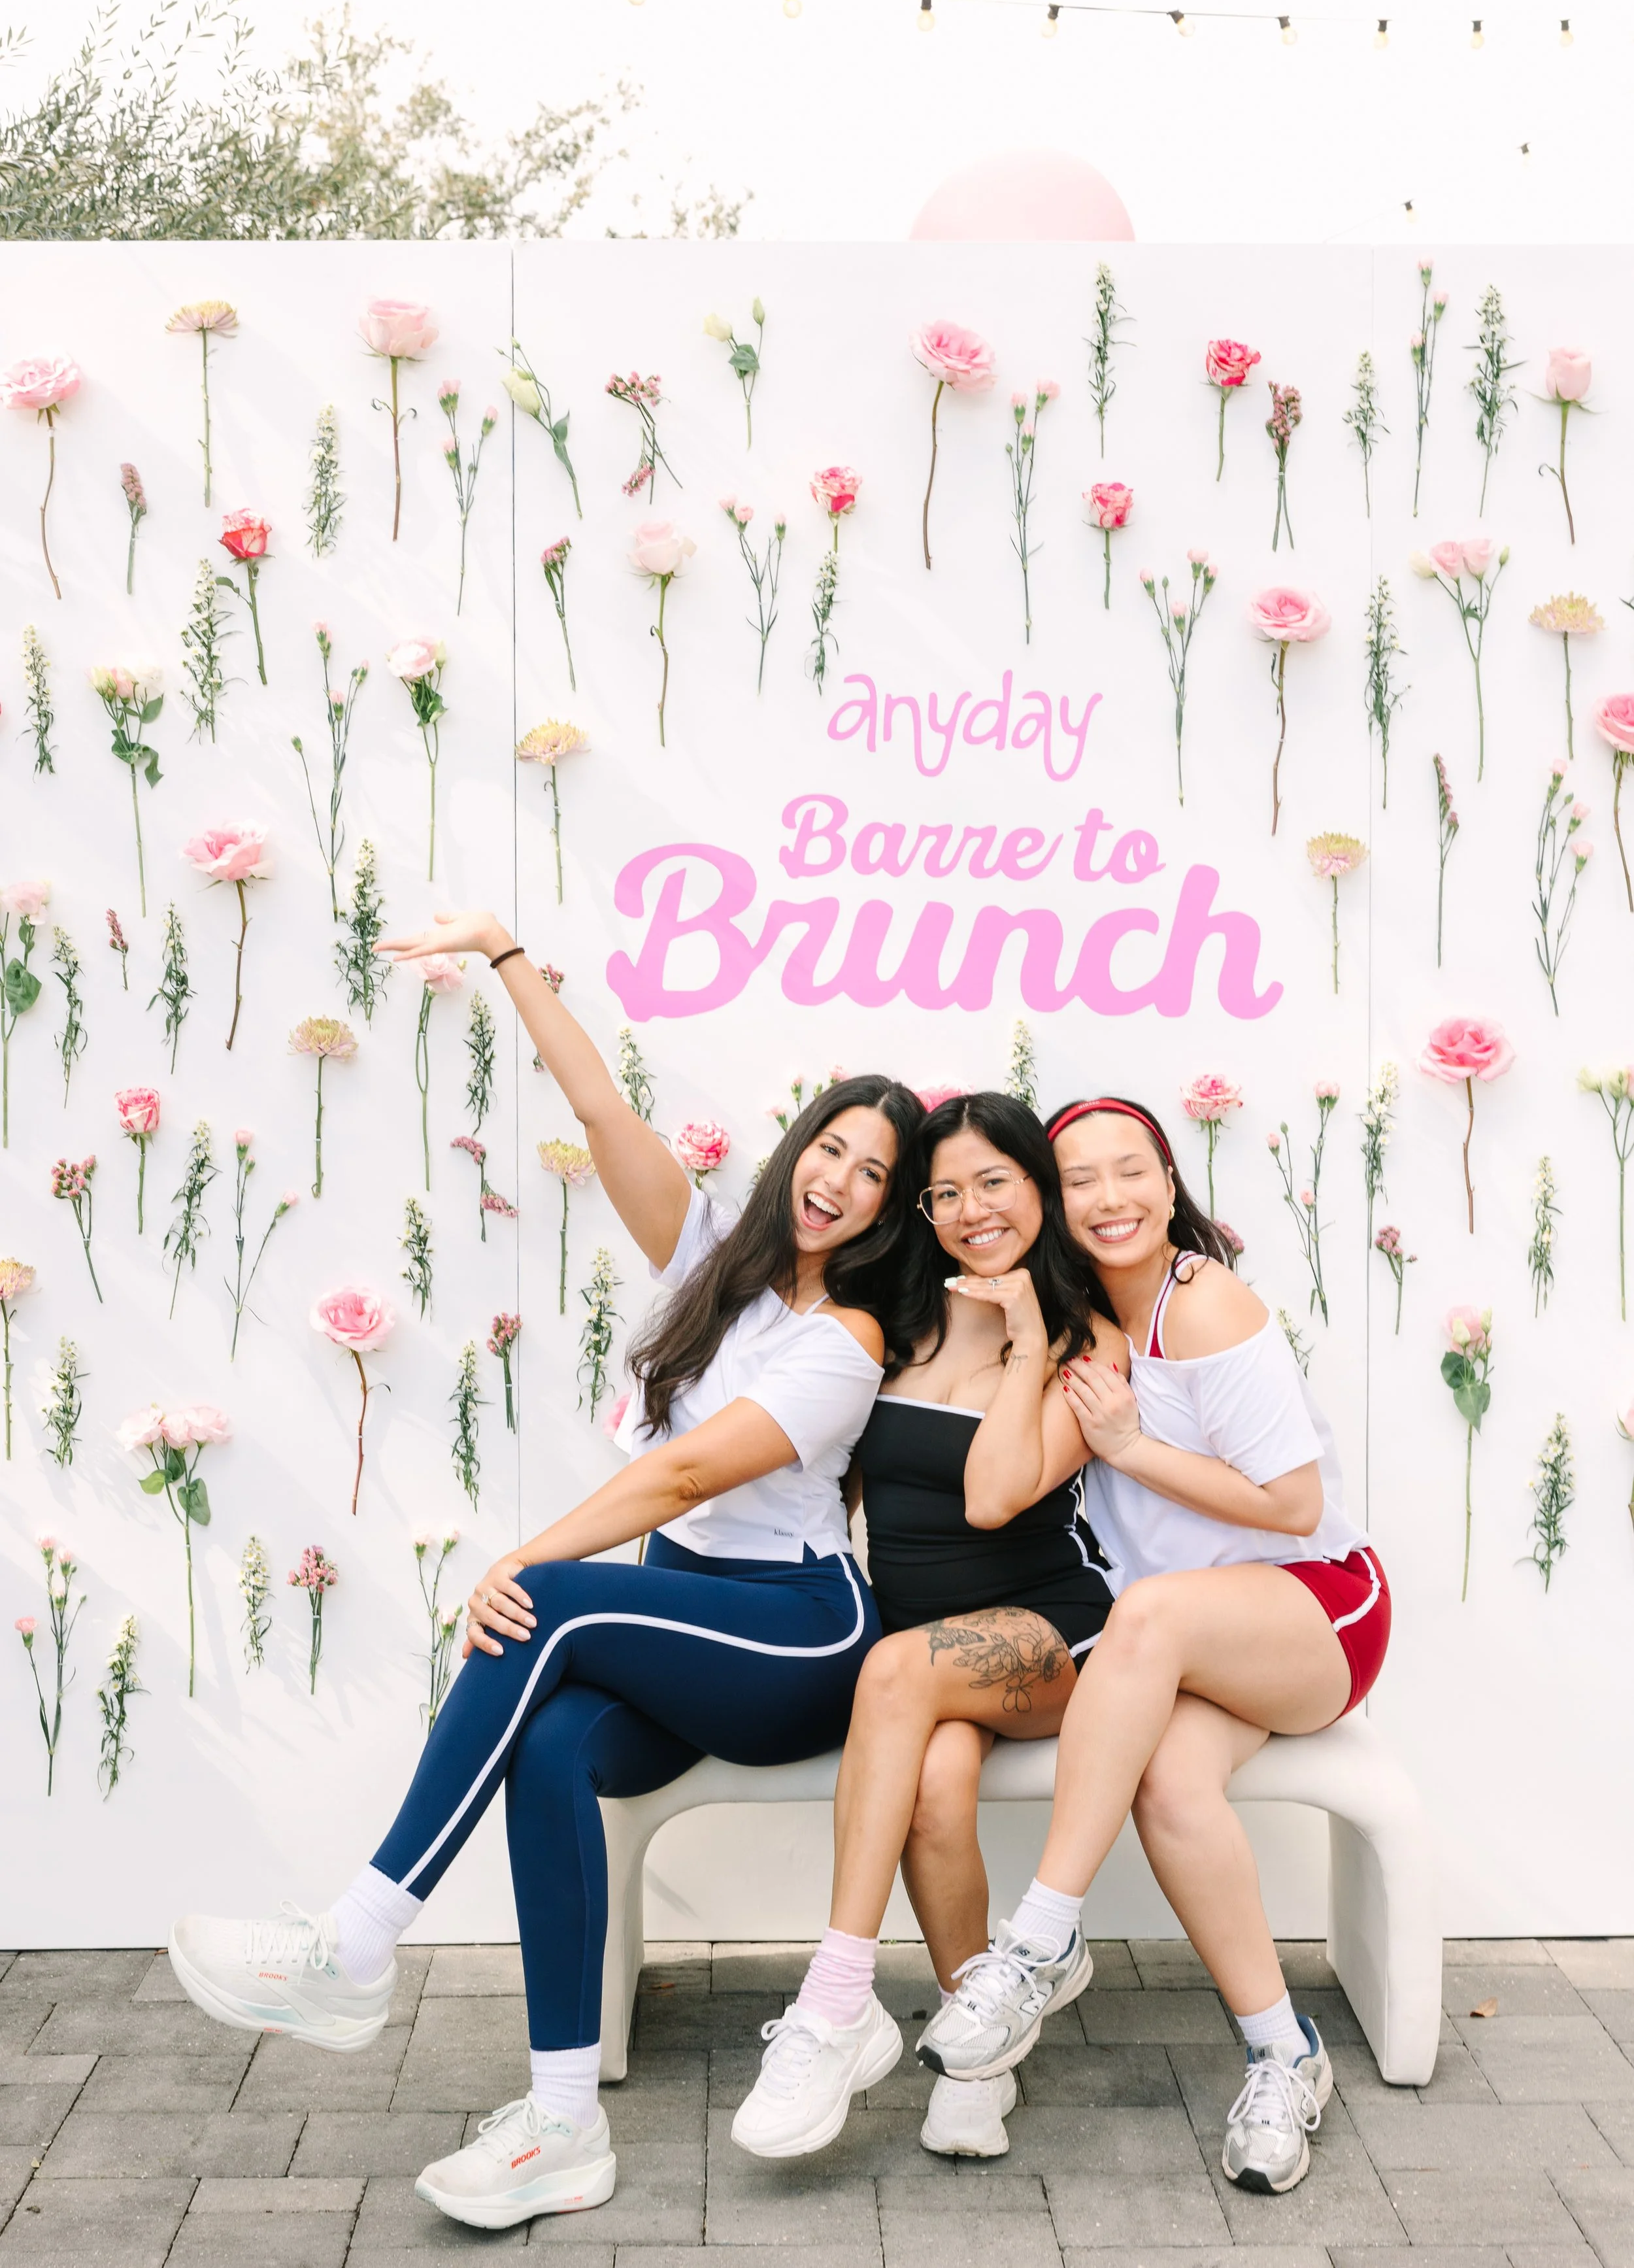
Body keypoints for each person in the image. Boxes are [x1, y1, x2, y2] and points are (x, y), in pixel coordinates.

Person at [167, 907, 925, 2234]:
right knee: (556, 1744)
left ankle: (351, 1942)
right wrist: (507, 957)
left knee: (548, 1601)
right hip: (686, 1619)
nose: (840, 1179)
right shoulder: (712, 1260)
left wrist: (520, 1554)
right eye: (831, 1146)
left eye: (873, 1173)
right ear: (796, 1149)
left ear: (885, 1211)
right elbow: (594, 1101)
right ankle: (563, 2123)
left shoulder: (847, 1336)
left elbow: (689, 1479)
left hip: (795, 1639)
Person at [916, 1095, 1390, 2199]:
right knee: (1171, 1789)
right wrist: (1031, 1340)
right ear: (1051, 1200)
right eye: (1080, 1179)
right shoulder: (1084, 1326)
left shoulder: (1206, 1304)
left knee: (1154, 1609)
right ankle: (1285, 2052)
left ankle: (1035, 1942)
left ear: (1171, 1184)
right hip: (1190, 1640)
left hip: (1319, 1608)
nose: (1111, 1197)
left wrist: (1129, 1442)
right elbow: (992, 1497)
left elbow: (1290, 1502)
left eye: (1133, 1172)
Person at [731, 1091, 1125, 2165]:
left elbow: (998, 1494)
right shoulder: (901, 1315)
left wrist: (1027, 1331)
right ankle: (974, 2057)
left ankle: (836, 1998)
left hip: (1052, 1634)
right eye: (945, 1191)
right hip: (921, 1655)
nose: (969, 1209)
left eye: (993, 1182)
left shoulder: (1087, 1338)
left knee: (900, 1670)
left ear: (1037, 1188)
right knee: (937, 1786)